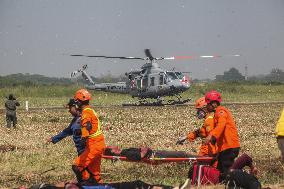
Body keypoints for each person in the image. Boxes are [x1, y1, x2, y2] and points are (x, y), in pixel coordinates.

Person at [204, 90, 240, 180]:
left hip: (229, 146)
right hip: (225, 147)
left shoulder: (221, 111)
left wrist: (211, 135)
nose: (206, 106)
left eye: (208, 104)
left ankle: (235, 183)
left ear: (214, 104)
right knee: (220, 171)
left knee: (226, 171)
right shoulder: (217, 113)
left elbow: (221, 125)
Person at [72, 89, 106, 185]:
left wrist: (84, 137)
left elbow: (87, 125)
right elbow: (91, 127)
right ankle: (99, 185)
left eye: (76, 101)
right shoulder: (90, 110)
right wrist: (80, 131)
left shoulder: (86, 113)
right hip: (99, 144)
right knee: (94, 173)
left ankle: (83, 185)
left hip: (93, 145)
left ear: (78, 101)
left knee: (77, 166)